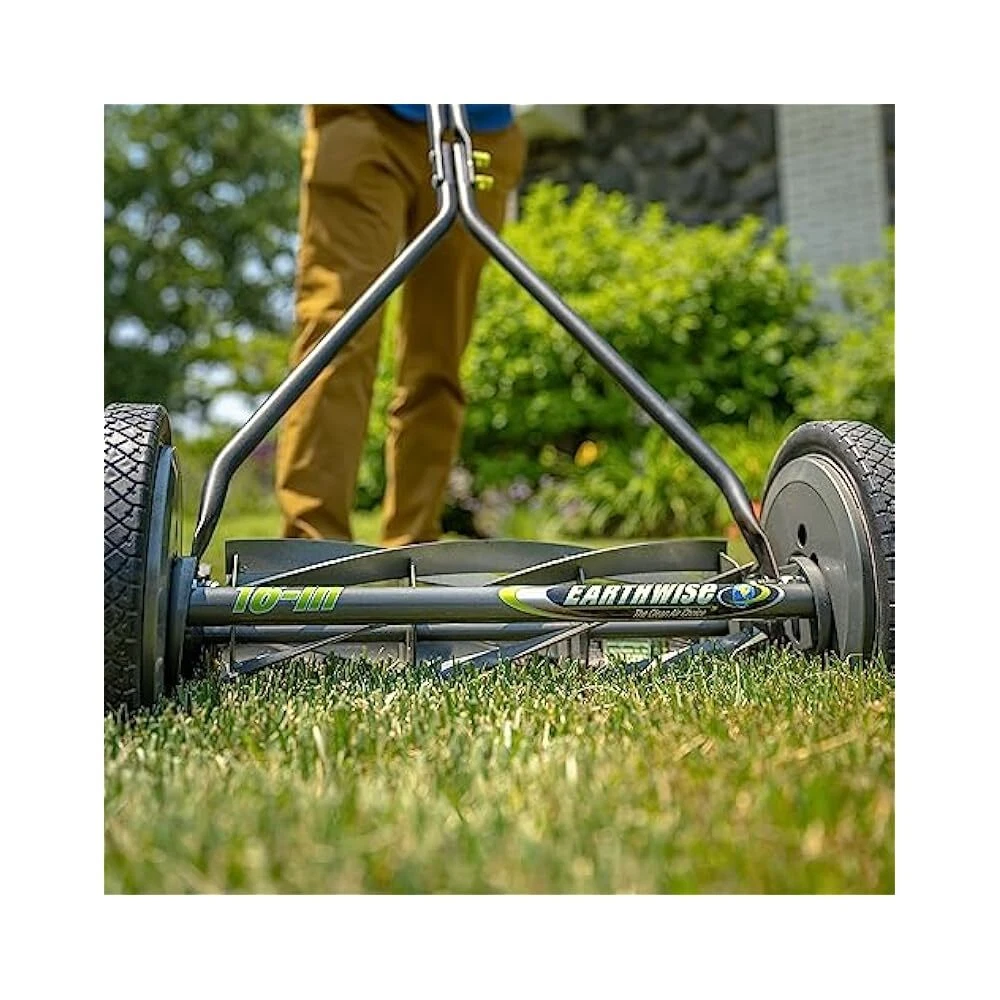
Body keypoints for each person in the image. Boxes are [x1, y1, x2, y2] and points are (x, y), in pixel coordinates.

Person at [275, 104, 525, 546]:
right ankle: (310, 549)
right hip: (365, 112)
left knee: (439, 356)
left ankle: (415, 548)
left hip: (475, 131)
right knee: (339, 334)